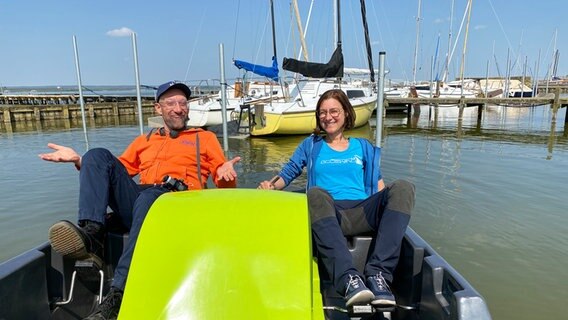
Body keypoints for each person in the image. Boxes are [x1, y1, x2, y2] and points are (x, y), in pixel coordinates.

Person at [39, 81, 240, 320]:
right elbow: (114, 173)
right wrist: (81, 161)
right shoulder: (144, 141)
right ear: (158, 109)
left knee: (148, 196)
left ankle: (118, 293)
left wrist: (226, 173)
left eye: (183, 103)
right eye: (171, 103)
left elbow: (224, 185)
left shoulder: (204, 138)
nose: (178, 108)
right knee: (97, 155)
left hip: (179, 205)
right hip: (142, 201)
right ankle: (92, 234)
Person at [258, 89, 414, 308]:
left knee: (403, 187)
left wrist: (390, 208)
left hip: (362, 212)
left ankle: (378, 275)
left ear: (346, 113)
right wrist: (270, 186)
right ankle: (349, 279)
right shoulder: (311, 145)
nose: (327, 117)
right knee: (315, 193)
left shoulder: (363, 147)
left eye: (333, 111)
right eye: (322, 112)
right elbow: (289, 172)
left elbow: (379, 187)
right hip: (329, 214)